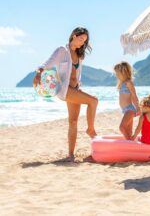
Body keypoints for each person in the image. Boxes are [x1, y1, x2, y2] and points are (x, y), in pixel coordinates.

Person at [33, 27, 98, 161]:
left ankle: (70, 155)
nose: (82, 43)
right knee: (93, 101)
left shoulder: (79, 55)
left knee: (73, 122)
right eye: (80, 39)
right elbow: (48, 62)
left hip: (76, 90)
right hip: (66, 90)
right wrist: (39, 73)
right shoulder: (62, 50)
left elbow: (77, 74)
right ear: (74, 36)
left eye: (84, 41)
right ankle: (90, 129)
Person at [114, 62, 140, 140]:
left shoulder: (129, 83)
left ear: (123, 73)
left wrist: (138, 108)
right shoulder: (122, 83)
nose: (116, 75)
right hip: (125, 110)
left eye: (117, 73)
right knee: (128, 131)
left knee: (122, 127)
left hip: (130, 109)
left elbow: (134, 96)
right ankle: (130, 145)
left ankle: (129, 143)